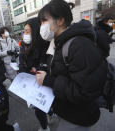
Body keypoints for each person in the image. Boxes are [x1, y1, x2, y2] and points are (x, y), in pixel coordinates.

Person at [36, 0, 107, 131]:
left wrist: (48, 80)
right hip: (65, 112)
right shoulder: (60, 43)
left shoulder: (79, 45)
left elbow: (86, 91)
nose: (42, 26)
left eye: (44, 21)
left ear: (60, 20)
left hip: (78, 117)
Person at [19, 17, 50, 131]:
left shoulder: (45, 45)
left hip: (43, 82)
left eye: (28, 31)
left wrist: (36, 69)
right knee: (38, 109)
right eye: (24, 31)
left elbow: (47, 65)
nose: (25, 34)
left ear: (36, 31)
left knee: (45, 106)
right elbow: (21, 64)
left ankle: (47, 121)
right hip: (30, 82)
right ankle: (44, 126)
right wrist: (26, 70)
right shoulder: (23, 44)